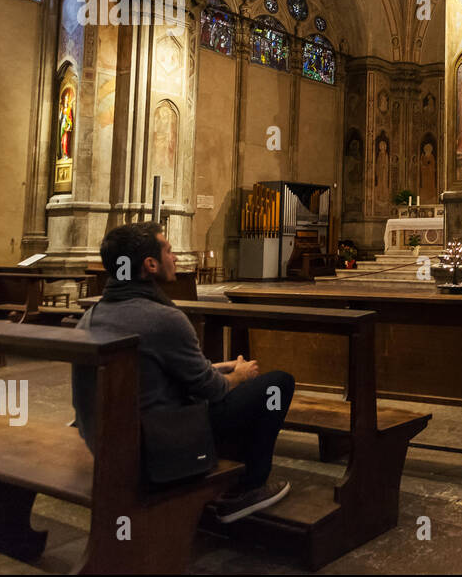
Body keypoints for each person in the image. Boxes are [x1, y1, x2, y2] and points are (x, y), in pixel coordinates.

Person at [71, 222, 295, 523]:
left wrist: (216, 366)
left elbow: (149, 370)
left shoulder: (91, 317)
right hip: (156, 451)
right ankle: (248, 488)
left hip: (107, 444)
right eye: (169, 250)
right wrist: (240, 373)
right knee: (277, 386)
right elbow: (213, 390)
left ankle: (228, 467)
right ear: (150, 264)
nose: (175, 257)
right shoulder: (164, 319)